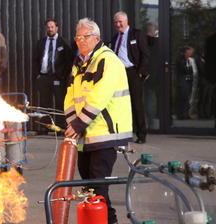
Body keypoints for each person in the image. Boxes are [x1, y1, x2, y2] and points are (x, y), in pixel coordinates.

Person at [64, 18, 133, 224]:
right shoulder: (79, 63)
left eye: (86, 36)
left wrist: (77, 124)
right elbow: (70, 96)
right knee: (89, 189)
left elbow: (100, 96)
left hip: (106, 135)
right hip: (86, 136)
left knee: (98, 189)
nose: (81, 41)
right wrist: (72, 123)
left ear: (97, 38)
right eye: (78, 37)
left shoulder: (107, 60)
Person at [111, 11, 149, 144]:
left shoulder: (136, 34)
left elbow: (145, 54)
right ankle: (122, 132)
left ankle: (141, 134)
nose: (118, 24)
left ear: (126, 21)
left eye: (120, 21)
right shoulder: (115, 37)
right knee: (119, 103)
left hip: (133, 72)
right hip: (118, 74)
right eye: (116, 22)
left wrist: (140, 72)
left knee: (136, 104)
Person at [33, 18, 71, 135]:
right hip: (44, 77)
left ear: (56, 28)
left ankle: (59, 127)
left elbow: (68, 60)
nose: (50, 29)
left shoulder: (63, 42)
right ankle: (45, 127)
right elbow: (35, 60)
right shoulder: (41, 42)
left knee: (60, 103)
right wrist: (37, 75)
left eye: (52, 27)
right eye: (48, 27)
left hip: (57, 77)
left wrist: (64, 75)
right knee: (44, 104)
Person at [142, 22, 158, 129]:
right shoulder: (156, 43)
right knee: (155, 98)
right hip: (156, 74)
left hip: (146, 74)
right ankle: (154, 121)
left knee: (148, 98)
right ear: (151, 30)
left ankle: (150, 121)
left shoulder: (142, 42)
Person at [175, 46, 194, 120]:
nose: (188, 54)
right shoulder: (180, 60)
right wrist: (187, 71)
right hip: (182, 82)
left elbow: (191, 71)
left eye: (189, 53)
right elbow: (184, 70)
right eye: (186, 53)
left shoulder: (188, 61)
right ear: (183, 53)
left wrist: (188, 71)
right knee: (181, 98)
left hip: (187, 82)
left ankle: (184, 114)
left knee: (186, 99)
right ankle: (179, 114)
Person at [196, 51, 213, 119]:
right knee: (202, 99)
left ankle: (207, 114)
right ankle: (201, 114)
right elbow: (202, 70)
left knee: (208, 99)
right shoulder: (199, 61)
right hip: (203, 82)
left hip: (209, 82)